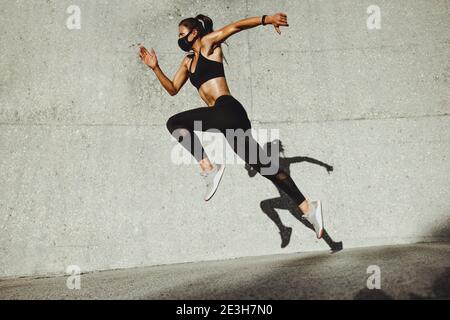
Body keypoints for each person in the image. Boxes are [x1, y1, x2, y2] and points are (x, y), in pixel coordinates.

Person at [139, 13, 324, 239]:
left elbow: (236, 26)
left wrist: (267, 19)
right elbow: (172, 89)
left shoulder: (209, 45)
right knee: (267, 168)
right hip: (227, 121)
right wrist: (155, 67)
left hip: (227, 109)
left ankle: (209, 167)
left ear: (194, 32)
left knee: (175, 122)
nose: (179, 39)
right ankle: (308, 208)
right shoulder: (188, 61)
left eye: (181, 34)